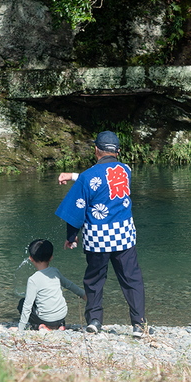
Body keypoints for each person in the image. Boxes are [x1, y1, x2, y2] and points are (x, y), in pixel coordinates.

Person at [55, 130, 149, 338]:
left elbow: (77, 208)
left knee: (95, 280)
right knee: (132, 280)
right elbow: (104, 177)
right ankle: (138, 325)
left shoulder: (88, 177)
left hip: (98, 239)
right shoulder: (126, 171)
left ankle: (95, 321)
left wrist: (71, 237)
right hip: (124, 236)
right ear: (117, 151)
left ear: (96, 149)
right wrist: (72, 176)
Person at [11, 239, 85, 332]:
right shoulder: (55, 272)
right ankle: (60, 325)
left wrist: (20, 328)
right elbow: (70, 285)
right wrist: (83, 294)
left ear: (31, 258)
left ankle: (41, 326)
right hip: (61, 316)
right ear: (51, 257)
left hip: (46, 319)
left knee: (22, 304)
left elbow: (27, 306)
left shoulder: (33, 280)